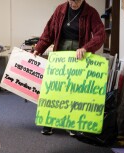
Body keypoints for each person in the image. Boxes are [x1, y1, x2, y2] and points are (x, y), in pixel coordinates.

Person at [33, 0, 106, 135]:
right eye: (72, 1)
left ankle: (71, 123)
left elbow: (100, 35)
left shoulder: (91, 12)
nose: (74, 4)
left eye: (77, 1)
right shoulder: (60, 10)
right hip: (60, 53)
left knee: (73, 90)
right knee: (54, 87)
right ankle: (49, 121)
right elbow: (48, 32)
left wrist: (86, 48)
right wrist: (39, 49)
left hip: (79, 54)